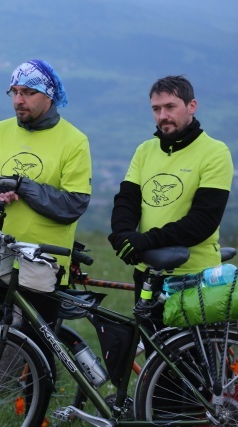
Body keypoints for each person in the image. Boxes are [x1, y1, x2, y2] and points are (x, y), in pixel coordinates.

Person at [0, 59, 92, 425]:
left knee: (40, 357)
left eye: (28, 92)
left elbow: (73, 205)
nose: (19, 100)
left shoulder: (74, 141)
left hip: (43, 265)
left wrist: (22, 186)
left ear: (49, 96)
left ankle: (35, 418)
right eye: (14, 92)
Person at [109, 75, 234, 330]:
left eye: (170, 107)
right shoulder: (145, 150)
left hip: (194, 277)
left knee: (192, 367)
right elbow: (127, 200)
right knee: (156, 359)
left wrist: (144, 240)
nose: (162, 115)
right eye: (156, 109)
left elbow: (204, 221)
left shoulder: (215, 152)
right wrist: (122, 234)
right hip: (148, 273)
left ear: (191, 106)